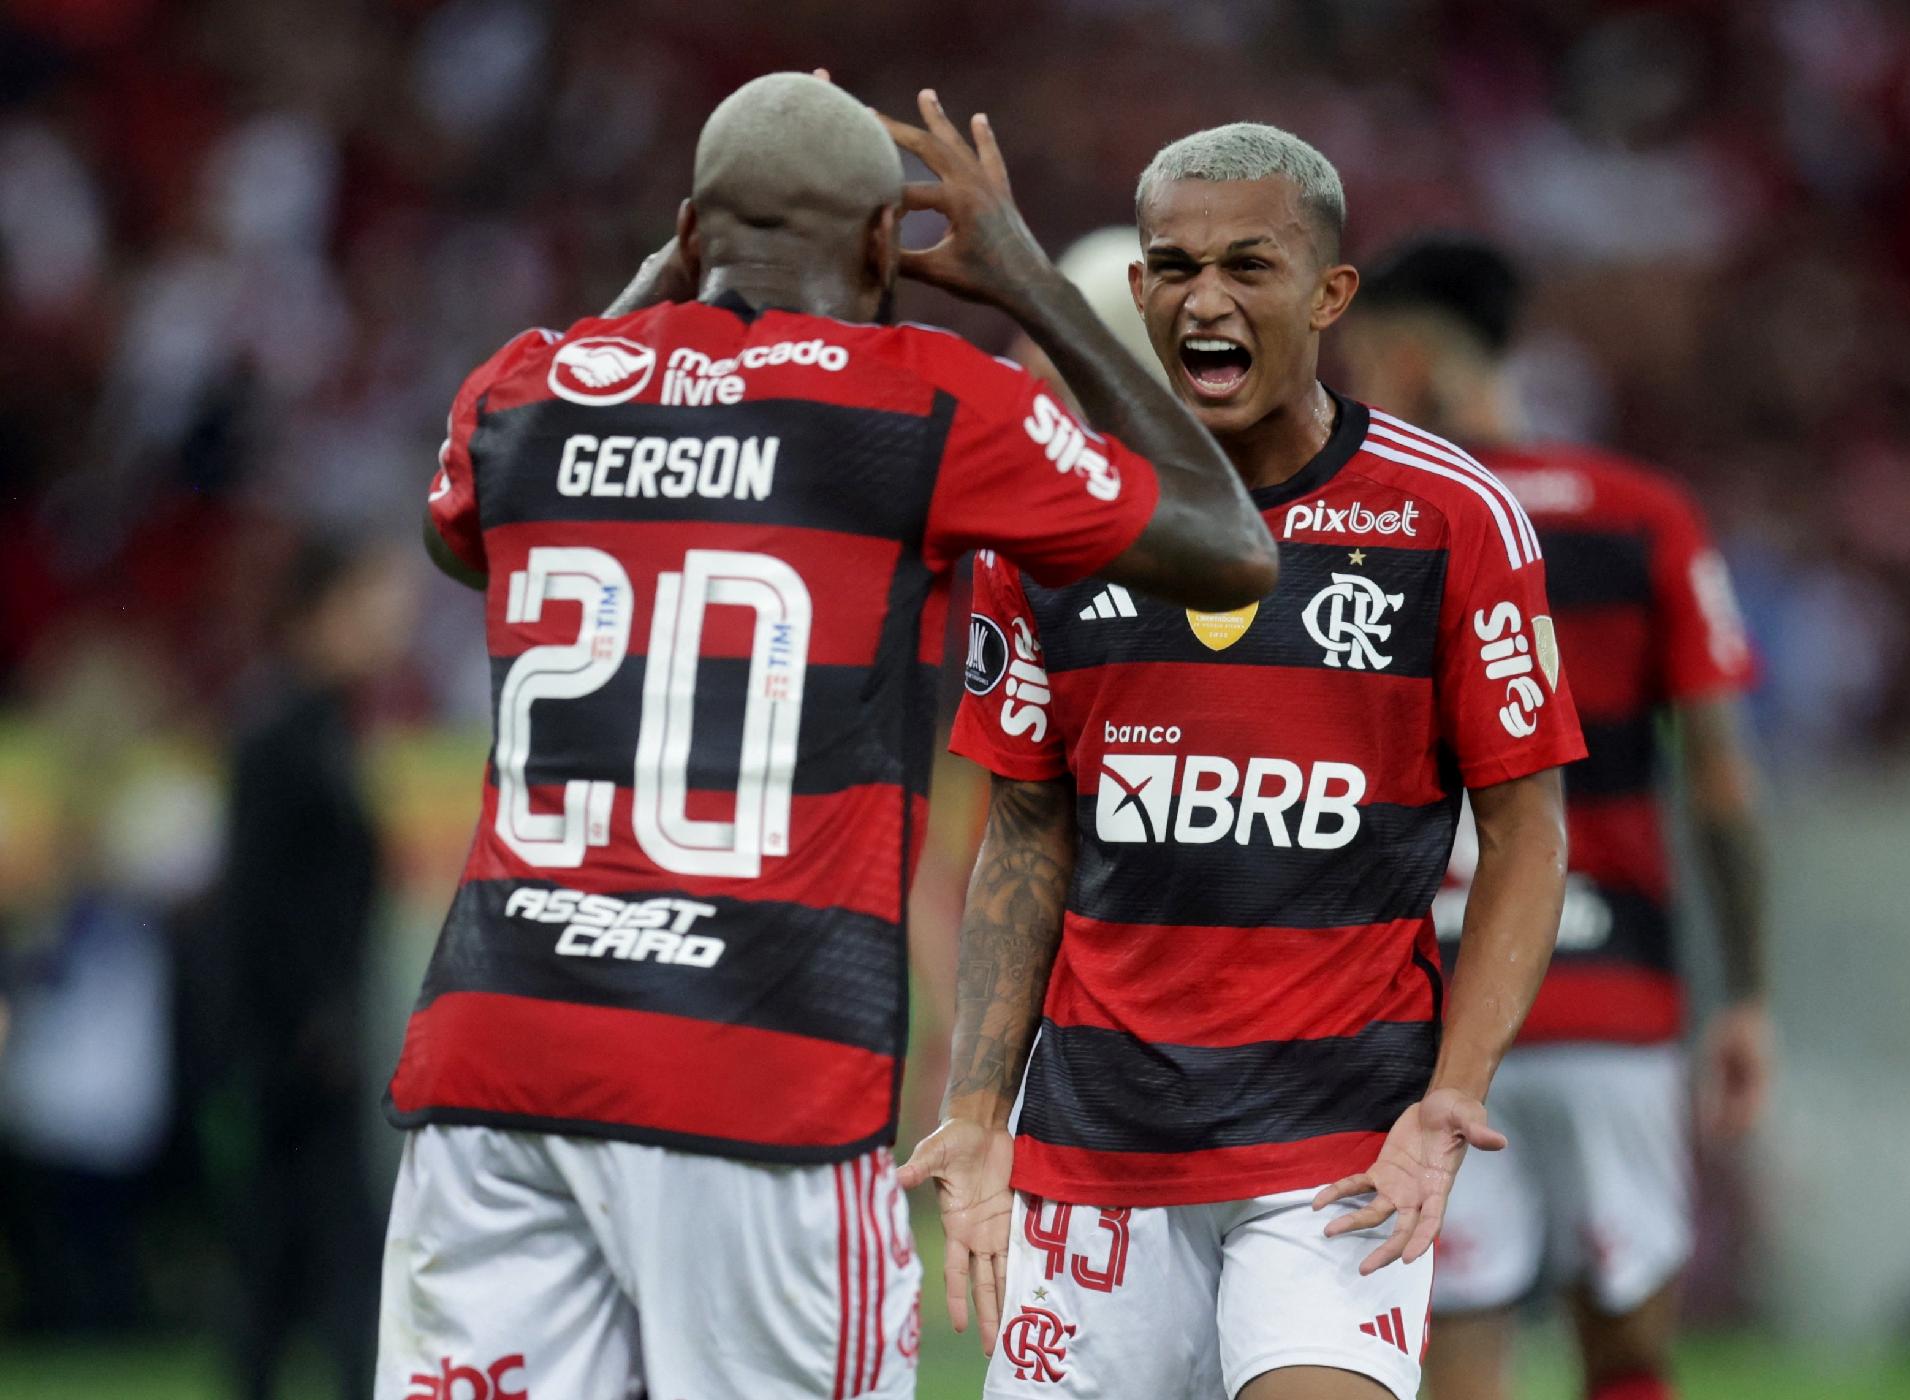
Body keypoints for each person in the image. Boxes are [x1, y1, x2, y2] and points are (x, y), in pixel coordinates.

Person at [377, 74, 1277, 1400]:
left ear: (691, 230)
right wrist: (1033, 286)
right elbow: (1230, 548)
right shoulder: (920, 398)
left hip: (496, 1066)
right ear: (879, 245)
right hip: (763, 1072)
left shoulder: (526, 388)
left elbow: (458, 533)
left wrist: (656, 299)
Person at [903, 123, 1586, 1400]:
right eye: (1173, 267)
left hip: (1340, 1141)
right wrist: (979, 1105)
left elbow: (1527, 828)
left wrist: (1454, 1090)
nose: (1204, 298)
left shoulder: (1451, 515)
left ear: (1330, 294)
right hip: (1099, 1141)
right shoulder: (1053, 528)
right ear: (1140, 288)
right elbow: (1027, 830)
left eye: (1247, 266)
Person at [1339, 234, 1769, 1400]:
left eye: (1366, 357)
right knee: (1628, 1355)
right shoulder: (1644, 514)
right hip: (1614, 1003)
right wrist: (1745, 992)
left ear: (1412, 354)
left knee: (1456, 1355)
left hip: (1430, 1010)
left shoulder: (1370, 521)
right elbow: (1723, 783)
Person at [217, 537, 416, 1399]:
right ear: (319, 614)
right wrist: (305, 1022)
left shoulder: (330, 725)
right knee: (324, 1241)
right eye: (370, 606)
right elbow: (252, 902)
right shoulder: (278, 733)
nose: (390, 625)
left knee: (292, 1248)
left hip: (318, 1032)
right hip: (294, 1045)